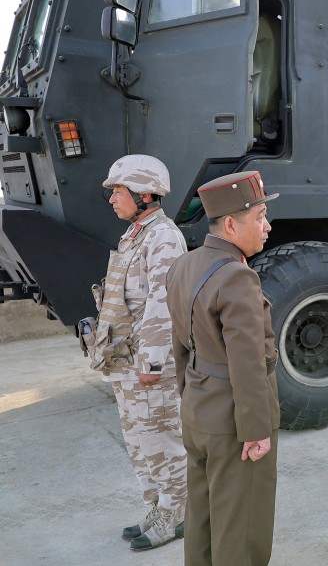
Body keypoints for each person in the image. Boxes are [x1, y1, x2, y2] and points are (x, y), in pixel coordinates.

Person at [166, 171, 281, 566]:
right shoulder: (237, 276)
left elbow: (180, 346)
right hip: (235, 421)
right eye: (260, 216)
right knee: (242, 528)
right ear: (231, 224)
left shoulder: (184, 264)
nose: (267, 226)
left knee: (203, 518)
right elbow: (248, 362)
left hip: (200, 410)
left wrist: (190, 401)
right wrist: (256, 430)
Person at [87, 155, 187, 551]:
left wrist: (153, 362)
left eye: (117, 191)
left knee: (162, 441)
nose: (112, 199)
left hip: (148, 364)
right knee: (140, 443)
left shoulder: (163, 237)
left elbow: (164, 304)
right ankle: (159, 507)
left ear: (144, 194)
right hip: (125, 360)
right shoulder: (135, 234)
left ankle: (176, 514)